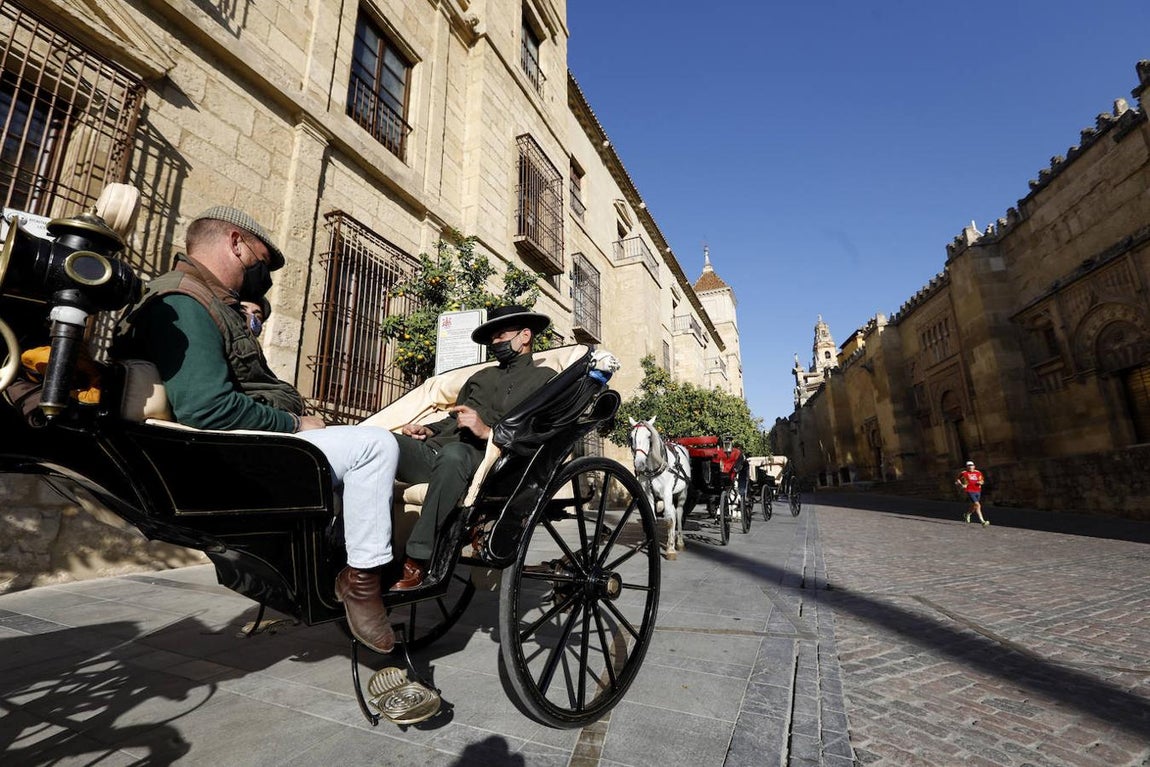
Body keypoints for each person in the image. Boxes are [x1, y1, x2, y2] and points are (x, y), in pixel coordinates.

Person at [114, 206, 400, 654]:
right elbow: (209, 408)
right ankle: (361, 583)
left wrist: (250, 313)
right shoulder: (184, 303)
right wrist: (293, 422)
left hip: (248, 442)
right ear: (234, 242)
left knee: (354, 449)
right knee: (374, 446)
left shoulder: (204, 300)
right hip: (239, 453)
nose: (262, 274)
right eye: (260, 260)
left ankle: (329, 560)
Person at [389, 304, 556, 590]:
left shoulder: (544, 379)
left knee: (454, 456)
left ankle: (417, 557)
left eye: (501, 336)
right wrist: (428, 429)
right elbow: (454, 418)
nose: (495, 343)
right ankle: (363, 548)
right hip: (437, 451)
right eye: (492, 339)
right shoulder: (480, 377)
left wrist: (488, 431)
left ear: (525, 335)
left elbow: (540, 431)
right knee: (382, 443)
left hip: (485, 457)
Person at [956, 460, 989, 526]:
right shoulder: (964, 473)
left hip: (978, 490)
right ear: (967, 467)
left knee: (975, 506)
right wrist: (962, 485)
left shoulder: (978, 473)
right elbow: (957, 479)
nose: (971, 467)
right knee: (978, 505)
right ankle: (982, 521)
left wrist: (981, 482)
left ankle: (968, 514)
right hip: (969, 490)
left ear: (974, 466)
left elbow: (982, 480)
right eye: (969, 466)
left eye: (972, 466)